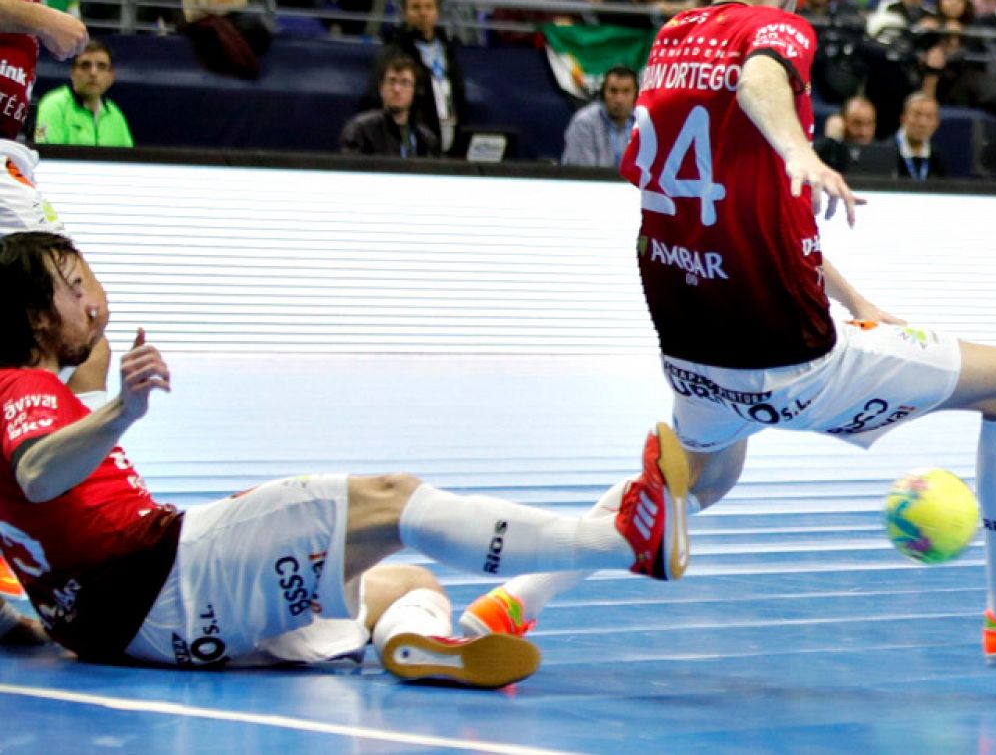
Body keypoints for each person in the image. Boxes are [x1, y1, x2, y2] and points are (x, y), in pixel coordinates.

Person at [460, 0, 996, 666]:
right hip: (791, 361)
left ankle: (507, 603)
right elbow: (760, 80)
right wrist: (801, 151)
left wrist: (858, 298)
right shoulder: (776, 32)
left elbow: (742, 203)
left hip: (694, 355)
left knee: (695, 483)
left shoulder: (672, 38)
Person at [0, 230, 695, 680]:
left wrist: (20, 622)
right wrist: (127, 408)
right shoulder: (21, 386)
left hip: (133, 631)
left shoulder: (44, 386)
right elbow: (35, 475)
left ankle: (425, 648)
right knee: (393, 501)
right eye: (77, 282)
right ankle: (620, 541)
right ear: (34, 316)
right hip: (168, 576)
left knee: (407, 584)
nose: (95, 297)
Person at [0, 0, 98, 645]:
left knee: (77, 334)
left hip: (13, 153)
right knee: (80, 326)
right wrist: (48, 21)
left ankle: (51, 534)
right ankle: (69, 534)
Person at [372, 0, 465, 151]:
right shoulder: (395, 49)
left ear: (437, 12)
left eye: (429, 7)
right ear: (404, 12)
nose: (423, 13)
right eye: (416, 7)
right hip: (414, 129)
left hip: (449, 122)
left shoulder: (449, 48)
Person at [340, 55, 441, 158]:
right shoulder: (360, 131)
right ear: (381, 89)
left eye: (404, 83)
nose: (397, 89)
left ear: (415, 91)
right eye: (391, 81)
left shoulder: (427, 139)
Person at [33, 42, 132, 147]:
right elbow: (45, 153)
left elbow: (129, 161)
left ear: (111, 76)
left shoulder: (115, 114)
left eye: (101, 66)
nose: (93, 73)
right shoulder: (52, 105)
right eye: (85, 65)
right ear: (72, 72)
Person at [560, 66, 638, 168]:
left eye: (626, 91)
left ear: (636, 95)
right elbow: (583, 176)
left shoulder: (644, 124)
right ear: (603, 94)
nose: (619, 99)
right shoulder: (584, 123)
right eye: (613, 91)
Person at [893, 91, 946, 180]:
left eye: (929, 117)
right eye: (917, 115)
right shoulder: (886, 152)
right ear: (903, 118)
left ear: (937, 124)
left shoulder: (938, 156)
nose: (922, 123)